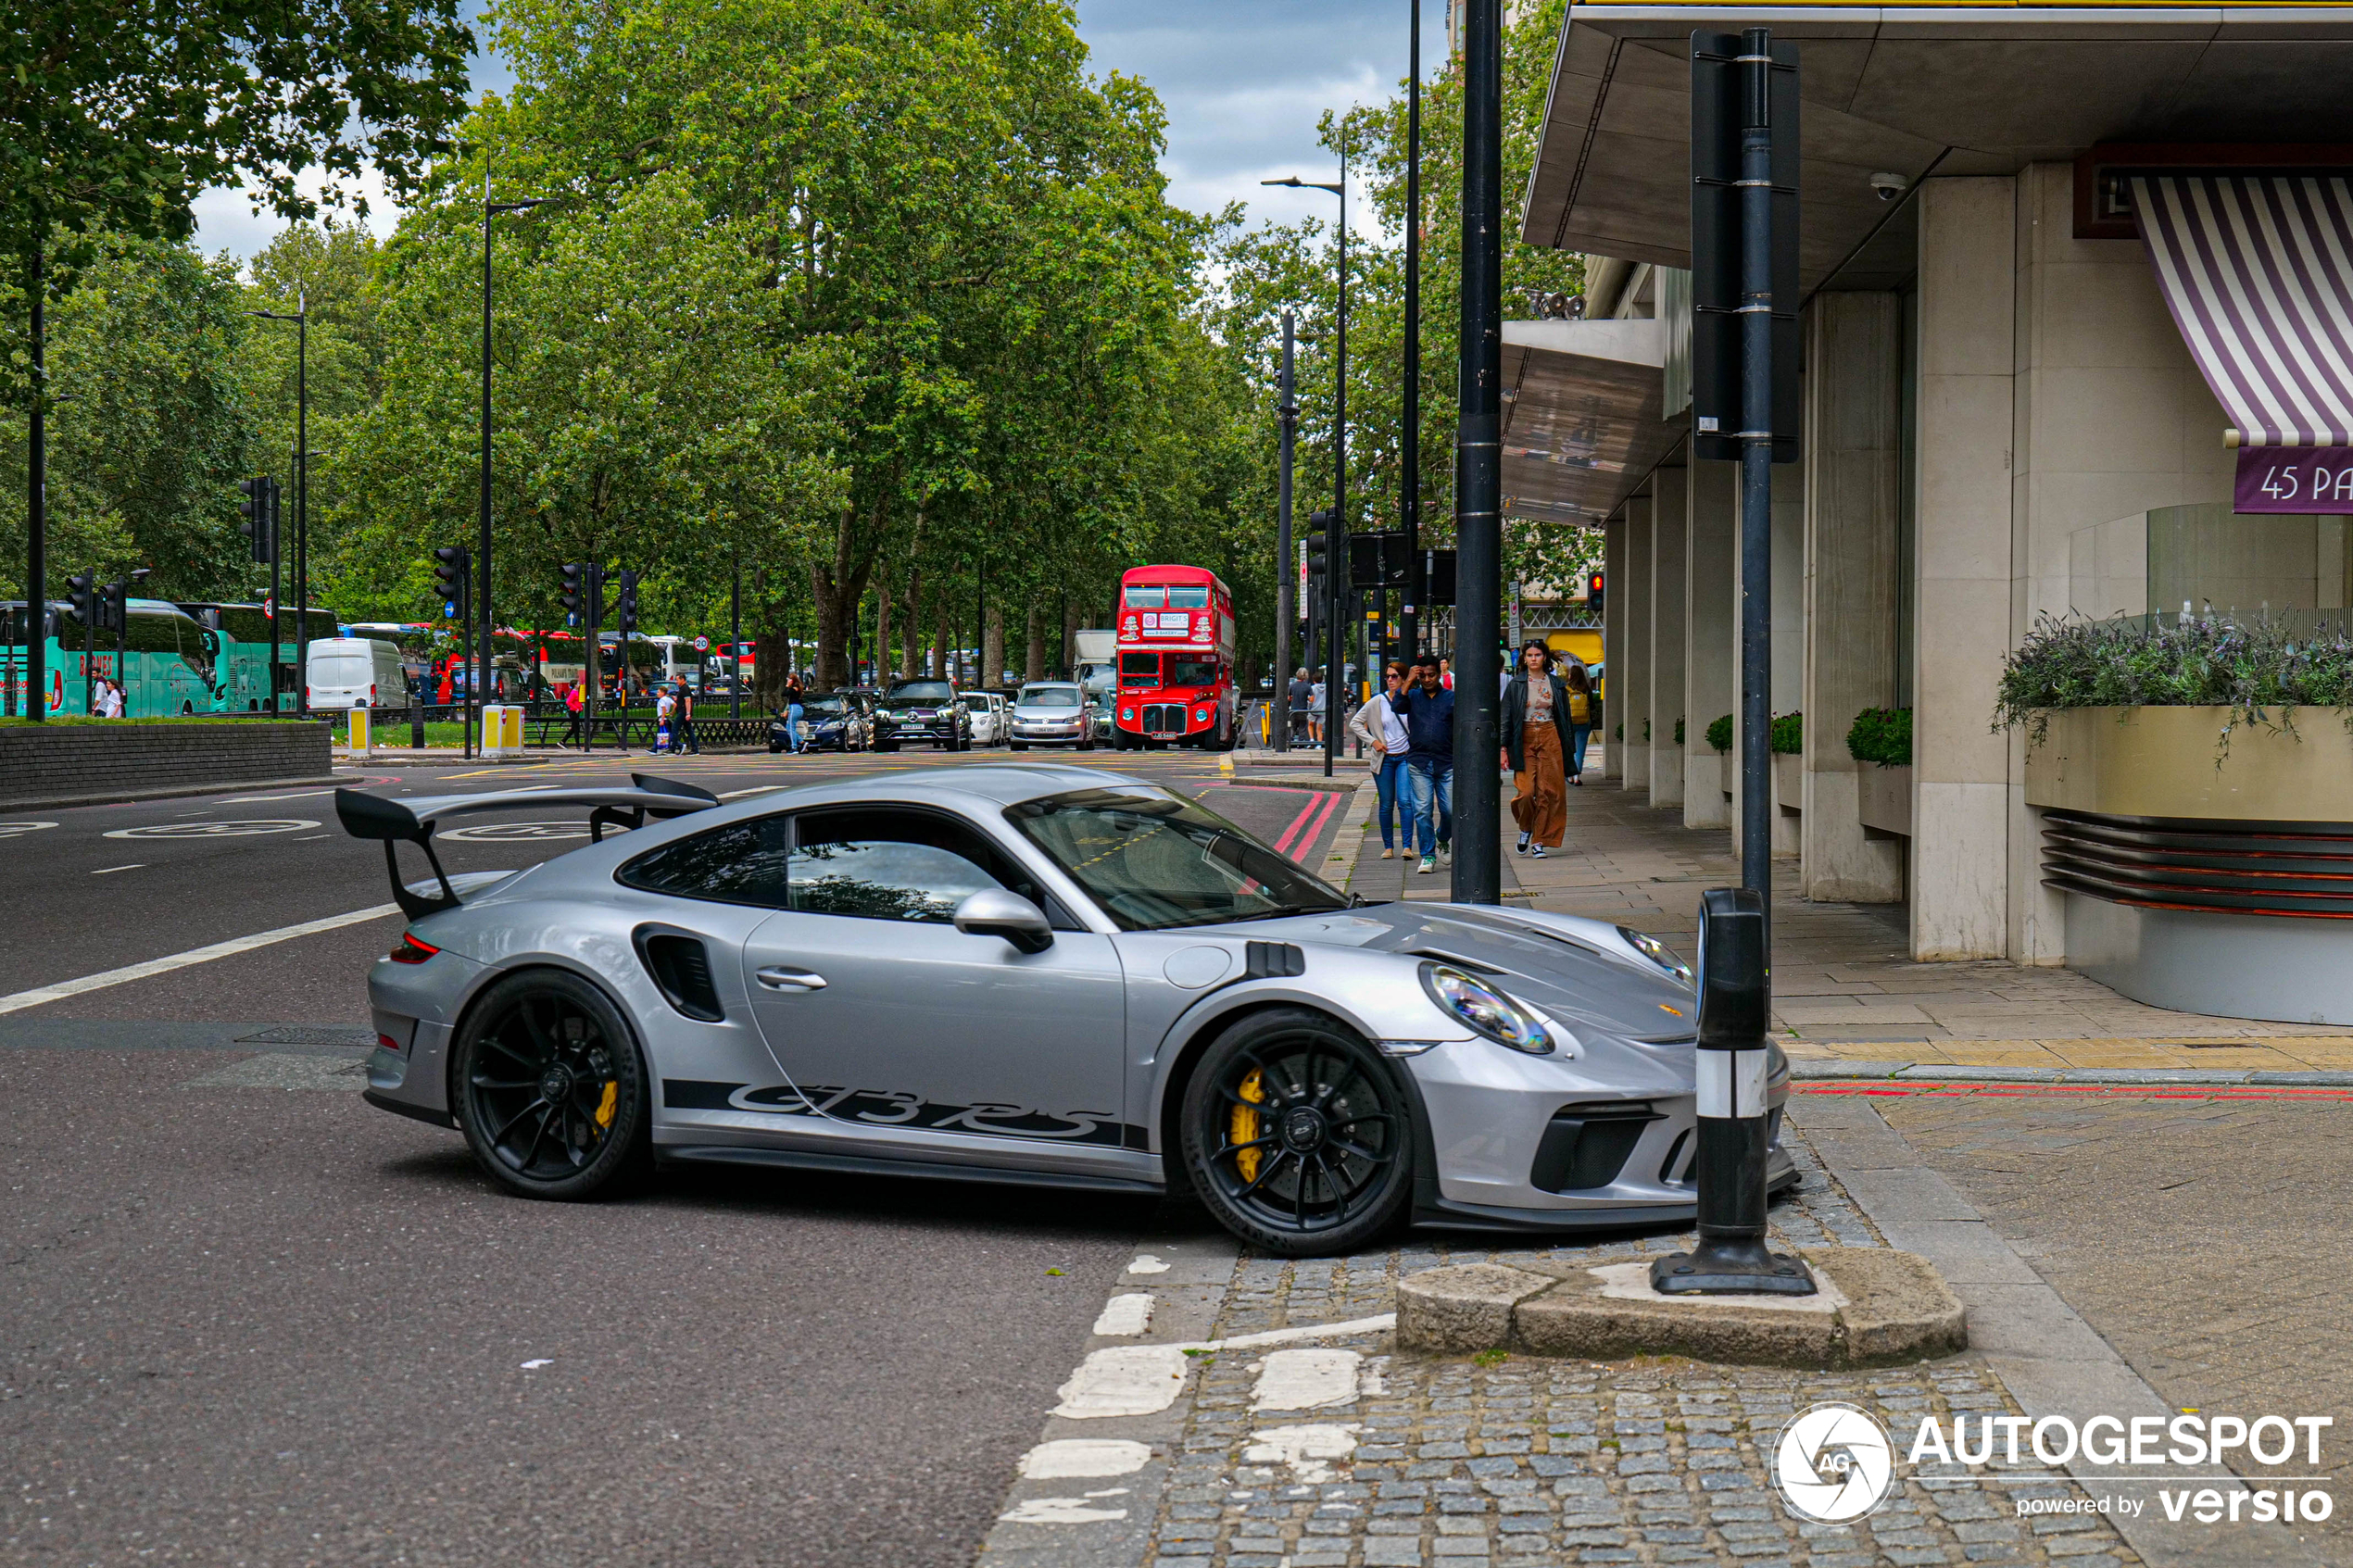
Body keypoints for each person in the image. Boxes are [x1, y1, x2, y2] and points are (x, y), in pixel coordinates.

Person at [1502, 639, 1572, 859]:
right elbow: (1506, 716)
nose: (1534, 659)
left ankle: (1539, 841)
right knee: (1526, 792)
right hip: (1524, 737)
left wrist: (1569, 745)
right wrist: (1502, 747)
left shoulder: (1557, 684)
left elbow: (1565, 718)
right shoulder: (1516, 684)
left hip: (1550, 734)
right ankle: (1525, 828)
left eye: (1538, 655)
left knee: (1548, 792)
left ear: (1545, 657)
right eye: (1530, 655)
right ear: (1524, 658)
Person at [1347, 663, 1413, 859]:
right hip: (1384, 759)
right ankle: (1388, 847)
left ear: (1403, 678)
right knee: (1385, 804)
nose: (1390, 680)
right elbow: (1355, 723)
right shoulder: (1377, 701)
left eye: (1394, 676)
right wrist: (1372, 741)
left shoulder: (1411, 699)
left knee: (1405, 802)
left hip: (1406, 758)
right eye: (1387, 677)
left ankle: (1407, 847)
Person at [1399, 658, 1455, 875]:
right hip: (1419, 761)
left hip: (1447, 761)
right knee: (1422, 810)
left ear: (1439, 675)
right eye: (1423, 676)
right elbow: (1398, 706)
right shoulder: (1412, 696)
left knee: (1450, 809)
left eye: (1431, 675)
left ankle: (1443, 837)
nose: (1428, 679)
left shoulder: (1451, 698)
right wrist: (1409, 681)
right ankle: (1428, 855)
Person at [1563, 660, 1595, 784]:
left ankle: (1570, 776)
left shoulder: (1566, 688)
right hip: (1584, 722)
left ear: (1571, 675)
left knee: (1569, 750)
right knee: (1580, 751)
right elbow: (1592, 706)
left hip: (1568, 723)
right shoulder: (1586, 688)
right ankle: (1577, 778)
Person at [1287, 667, 1313, 746]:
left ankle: (1290, 742)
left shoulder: (1292, 686)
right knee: (1302, 727)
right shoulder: (1308, 687)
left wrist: (1292, 698)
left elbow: (1288, 698)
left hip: (1293, 710)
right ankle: (1300, 743)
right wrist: (1306, 698)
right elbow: (1312, 699)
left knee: (1292, 727)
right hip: (1303, 710)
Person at [783, 673, 806, 755]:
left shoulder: (794, 689)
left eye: (788, 679)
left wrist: (787, 685)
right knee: (788, 727)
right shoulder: (796, 689)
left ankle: (794, 747)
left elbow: (784, 693)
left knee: (791, 727)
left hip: (794, 708)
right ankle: (802, 742)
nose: (787, 681)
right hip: (797, 708)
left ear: (792, 681)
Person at [652, 684, 677, 754]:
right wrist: (672, 712)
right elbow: (675, 705)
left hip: (663, 719)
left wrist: (662, 719)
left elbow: (664, 709)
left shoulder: (662, 700)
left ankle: (679, 744)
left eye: (658, 692)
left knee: (666, 734)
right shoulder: (668, 699)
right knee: (661, 734)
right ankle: (654, 749)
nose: (657, 693)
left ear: (663, 693)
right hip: (667, 719)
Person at [678, 680, 699, 754]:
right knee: (689, 731)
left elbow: (688, 701)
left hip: (683, 712)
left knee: (674, 729)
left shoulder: (685, 688)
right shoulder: (682, 688)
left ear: (682, 679)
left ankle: (675, 747)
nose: (676, 681)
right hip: (683, 712)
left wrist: (688, 713)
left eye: (677, 679)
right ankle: (695, 749)